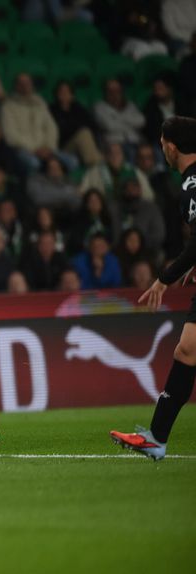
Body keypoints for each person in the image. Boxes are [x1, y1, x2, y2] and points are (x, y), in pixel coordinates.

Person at [111, 116, 196, 460]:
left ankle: (157, 437)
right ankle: (157, 438)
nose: (161, 148)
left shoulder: (193, 184)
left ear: (171, 146)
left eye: (162, 142)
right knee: (187, 351)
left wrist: (167, 275)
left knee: (187, 351)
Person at [1, 73, 75, 173]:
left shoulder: (40, 103)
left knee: (72, 161)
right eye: (21, 83)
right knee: (34, 163)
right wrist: (34, 149)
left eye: (28, 82)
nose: (25, 86)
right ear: (16, 86)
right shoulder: (7, 107)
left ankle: (61, 186)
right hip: (23, 150)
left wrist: (48, 147)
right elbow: (10, 136)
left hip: (45, 148)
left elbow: (51, 127)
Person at [94, 79, 145, 160]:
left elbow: (141, 121)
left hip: (135, 141)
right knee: (131, 152)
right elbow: (109, 126)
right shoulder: (99, 107)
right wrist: (130, 122)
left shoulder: (130, 105)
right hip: (114, 143)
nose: (114, 94)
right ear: (106, 92)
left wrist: (117, 118)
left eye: (117, 90)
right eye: (111, 91)